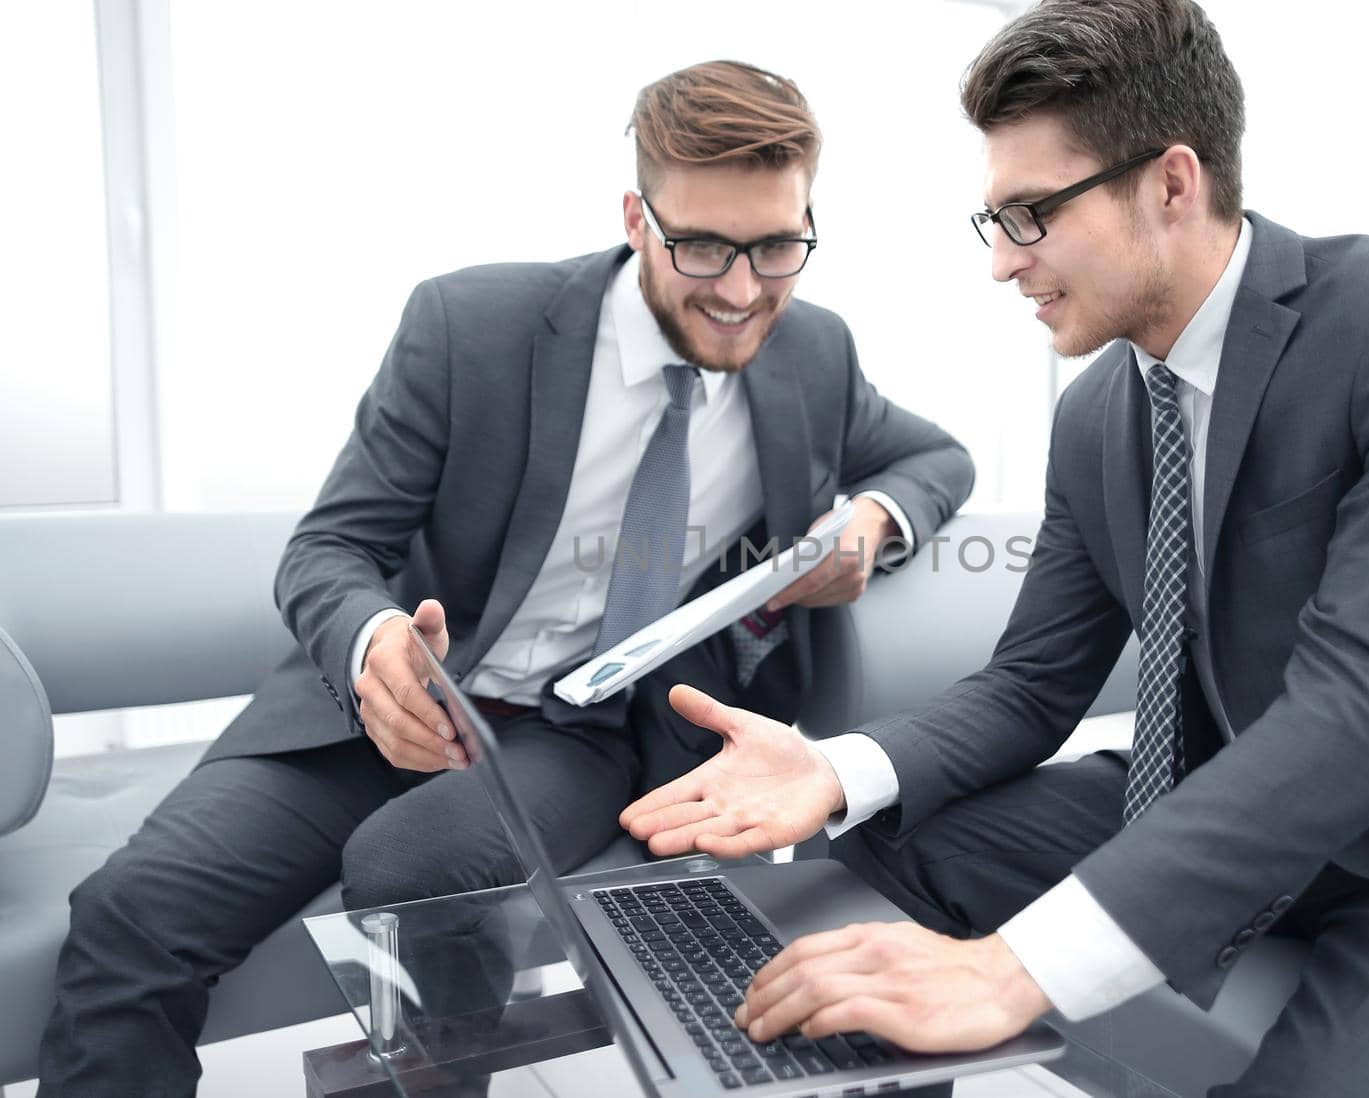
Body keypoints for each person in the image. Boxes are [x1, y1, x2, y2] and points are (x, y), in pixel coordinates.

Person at [621, 4, 1369, 1094]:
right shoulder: (1097, 416)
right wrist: (835, 766)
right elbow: (1033, 685)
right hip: (1215, 786)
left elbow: (1367, 705)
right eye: (991, 221)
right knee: (877, 864)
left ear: (1170, 184)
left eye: (1030, 215)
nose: (1001, 264)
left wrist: (1014, 969)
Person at [38, 59, 974, 1097]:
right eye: (703, 246)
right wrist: (372, 646)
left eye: (778, 246)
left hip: (568, 732)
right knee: (130, 914)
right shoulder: (469, 329)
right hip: (365, 711)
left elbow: (936, 459)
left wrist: (873, 522)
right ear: (636, 216)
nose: (744, 289)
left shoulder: (812, 355)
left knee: (417, 875)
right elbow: (329, 548)